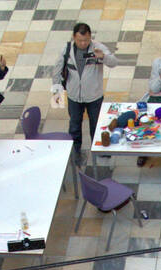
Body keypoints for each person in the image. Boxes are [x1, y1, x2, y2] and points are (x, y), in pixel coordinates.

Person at [51, 23, 118, 164]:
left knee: (97, 124)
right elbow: (57, 71)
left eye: (86, 40)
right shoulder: (67, 50)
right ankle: (75, 152)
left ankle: (100, 149)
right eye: (79, 40)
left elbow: (113, 62)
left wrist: (103, 57)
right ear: (74, 37)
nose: (83, 43)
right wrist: (57, 94)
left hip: (94, 96)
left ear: (90, 37)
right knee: (74, 125)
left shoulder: (98, 47)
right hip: (74, 96)